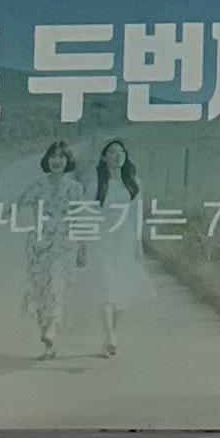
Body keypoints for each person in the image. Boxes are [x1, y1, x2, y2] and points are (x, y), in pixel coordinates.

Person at [78, 140, 143, 360]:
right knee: (106, 287)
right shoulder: (97, 183)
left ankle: (112, 334)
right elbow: (85, 213)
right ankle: (109, 336)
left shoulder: (133, 183)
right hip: (101, 240)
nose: (117, 156)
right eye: (113, 152)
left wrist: (138, 244)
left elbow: (136, 215)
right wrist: (83, 244)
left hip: (124, 241)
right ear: (104, 157)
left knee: (121, 289)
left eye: (121, 152)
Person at [26, 135, 86, 355]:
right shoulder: (37, 186)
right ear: (47, 160)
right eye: (53, 156)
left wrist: (83, 246)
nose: (56, 161)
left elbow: (80, 218)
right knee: (40, 291)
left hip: (65, 243)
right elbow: (16, 204)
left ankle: (52, 328)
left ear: (67, 160)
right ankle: (48, 343)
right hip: (39, 244)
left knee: (57, 286)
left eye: (61, 157)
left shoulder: (75, 188)